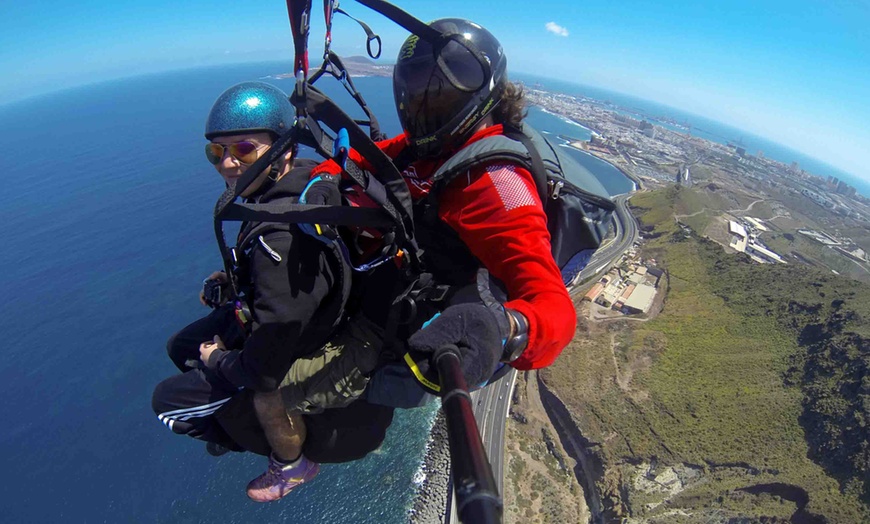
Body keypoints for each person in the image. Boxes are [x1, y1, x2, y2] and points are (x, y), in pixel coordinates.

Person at [238, 17, 577, 503]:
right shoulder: (434, 148)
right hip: (383, 287)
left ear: (478, 98)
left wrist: (504, 329)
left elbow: (555, 310)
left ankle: (293, 464)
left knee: (265, 396)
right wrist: (327, 180)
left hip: (397, 327)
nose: (420, 111)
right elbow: (367, 156)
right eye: (415, 98)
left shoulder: (494, 185)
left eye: (435, 99)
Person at [152, 81, 362, 498]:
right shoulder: (291, 187)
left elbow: (265, 369)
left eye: (244, 149)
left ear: (283, 148)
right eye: (216, 152)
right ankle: (228, 406)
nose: (228, 164)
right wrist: (232, 278)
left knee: (168, 405)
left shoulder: (280, 240)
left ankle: (282, 458)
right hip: (280, 314)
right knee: (179, 347)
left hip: (287, 349)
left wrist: (219, 362)